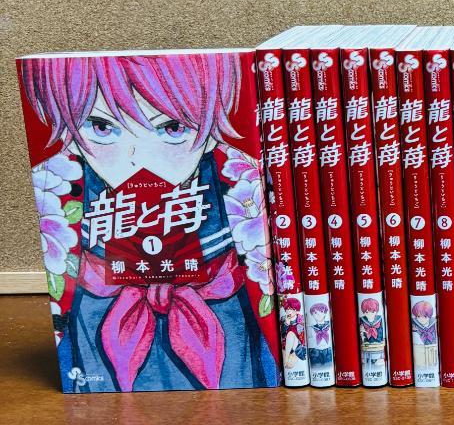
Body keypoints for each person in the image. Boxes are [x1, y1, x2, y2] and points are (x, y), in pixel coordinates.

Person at [21, 52, 279, 392]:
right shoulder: (59, 182)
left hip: (228, 324)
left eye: (172, 128)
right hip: (96, 322)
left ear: (212, 132)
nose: (136, 158)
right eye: (102, 127)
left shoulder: (242, 179)